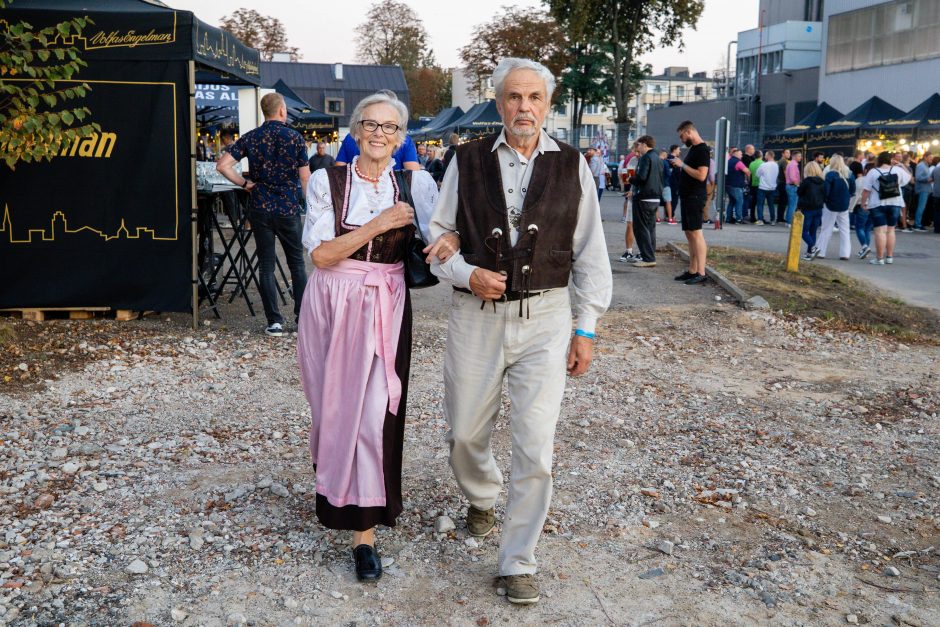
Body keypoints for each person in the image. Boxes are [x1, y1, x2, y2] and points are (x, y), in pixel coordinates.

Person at [428, 57, 611, 606]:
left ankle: (518, 559)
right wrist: (466, 272)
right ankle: (482, 495)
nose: (523, 107)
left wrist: (587, 327)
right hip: (475, 318)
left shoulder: (573, 164)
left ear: (547, 104)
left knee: (536, 447)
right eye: (513, 97)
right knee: (464, 433)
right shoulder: (466, 158)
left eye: (534, 97)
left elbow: (591, 254)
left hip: (547, 319)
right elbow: (440, 235)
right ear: (499, 101)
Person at [297, 91, 456, 583]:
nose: (379, 134)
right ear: (355, 130)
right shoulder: (327, 179)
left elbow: (440, 239)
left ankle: (364, 532)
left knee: (374, 412)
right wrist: (381, 223)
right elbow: (321, 256)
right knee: (332, 410)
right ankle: (335, 489)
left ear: (402, 136)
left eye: (390, 127)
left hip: (384, 302)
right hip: (330, 300)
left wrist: (451, 244)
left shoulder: (417, 183)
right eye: (370, 124)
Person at [217, 92, 310, 336]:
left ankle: (274, 322)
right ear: (281, 110)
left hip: (260, 208)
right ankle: (302, 318)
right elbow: (305, 178)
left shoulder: (251, 137)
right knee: (297, 264)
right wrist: (309, 205)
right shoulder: (296, 138)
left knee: (266, 265)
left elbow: (222, 165)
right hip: (288, 208)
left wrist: (244, 184)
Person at [670, 121, 710, 284]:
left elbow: (702, 175)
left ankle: (701, 272)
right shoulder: (693, 149)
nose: (681, 140)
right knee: (689, 233)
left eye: (682, 136)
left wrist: (682, 164)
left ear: (689, 132)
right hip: (687, 196)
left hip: (695, 196)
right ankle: (693, 270)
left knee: (696, 233)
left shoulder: (702, 149)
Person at [860, 151, 911, 265]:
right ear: (891, 160)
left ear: (879, 160)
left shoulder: (873, 172)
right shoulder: (897, 170)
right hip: (895, 203)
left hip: (877, 204)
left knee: (880, 231)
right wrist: (901, 164)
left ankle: (879, 258)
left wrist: (863, 203)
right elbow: (909, 177)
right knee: (891, 230)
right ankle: (889, 257)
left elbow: (866, 190)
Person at [628, 135, 662, 267]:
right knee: (650, 228)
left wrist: (631, 179)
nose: (637, 148)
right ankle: (650, 254)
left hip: (644, 196)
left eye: (638, 145)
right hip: (655, 196)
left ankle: (647, 258)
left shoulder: (645, 158)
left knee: (641, 228)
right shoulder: (658, 158)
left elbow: (641, 178)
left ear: (644, 144)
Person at [815, 154, 856, 260]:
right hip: (844, 205)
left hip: (830, 205)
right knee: (845, 230)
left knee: (826, 228)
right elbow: (852, 190)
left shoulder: (830, 175)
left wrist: (825, 200)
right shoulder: (849, 174)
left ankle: (820, 251)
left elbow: (826, 191)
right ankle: (845, 254)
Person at [797, 161, 826, 260]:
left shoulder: (807, 181)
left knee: (803, 231)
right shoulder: (822, 181)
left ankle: (813, 248)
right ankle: (810, 253)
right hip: (818, 208)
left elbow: (799, 192)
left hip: (807, 208)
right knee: (812, 231)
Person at [725, 147, 749, 224]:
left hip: (728, 184)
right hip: (736, 185)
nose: (742, 156)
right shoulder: (738, 162)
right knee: (739, 202)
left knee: (731, 202)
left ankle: (728, 218)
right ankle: (739, 219)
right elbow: (747, 171)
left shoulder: (729, 161)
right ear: (737, 154)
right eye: (741, 154)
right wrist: (747, 180)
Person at [754, 150, 778, 225]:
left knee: (760, 204)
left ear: (768, 156)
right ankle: (773, 220)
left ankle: (760, 220)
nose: (764, 156)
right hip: (772, 187)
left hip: (763, 187)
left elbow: (757, 174)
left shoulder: (763, 165)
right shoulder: (776, 165)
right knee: (771, 204)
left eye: (765, 155)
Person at [914, 152, 933, 231]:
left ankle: (919, 223)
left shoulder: (925, 165)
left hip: (926, 189)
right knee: (921, 207)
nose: (931, 159)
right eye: (930, 158)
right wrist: (928, 179)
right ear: (925, 157)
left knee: (922, 207)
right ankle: (917, 224)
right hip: (922, 189)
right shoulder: (921, 165)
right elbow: (918, 177)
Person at [784, 151, 803, 224]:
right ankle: (789, 222)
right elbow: (792, 178)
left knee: (791, 205)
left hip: (791, 186)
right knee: (793, 205)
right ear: (794, 156)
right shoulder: (793, 165)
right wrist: (798, 185)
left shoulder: (791, 164)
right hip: (792, 186)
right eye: (799, 156)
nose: (800, 157)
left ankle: (788, 220)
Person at [747, 149, 763, 222]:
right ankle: (760, 217)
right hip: (760, 185)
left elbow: (749, 174)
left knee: (753, 202)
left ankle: (752, 217)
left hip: (753, 184)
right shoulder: (763, 163)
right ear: (761, 156)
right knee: (760, 202)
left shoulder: (751, 163)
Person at [660, 149, 675, 224]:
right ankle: (670, 219)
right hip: (665, 184)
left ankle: (657, 219)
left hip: (657, 185)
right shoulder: (665, 162)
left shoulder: (656, 161)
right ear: (664, 154)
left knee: (656, 202)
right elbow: (668, 174)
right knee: (668, 202)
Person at [776, 148, 790, 214]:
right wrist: (788, 183)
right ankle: (780, 218)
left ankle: (780, 217)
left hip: (780, 183)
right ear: (783, 154)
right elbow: (786, 173)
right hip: (783, 183)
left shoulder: (779, 161)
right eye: (787, 152)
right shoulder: (784, 161)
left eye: (789, 153)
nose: (789, 154)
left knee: (781, 201)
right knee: (783, 201)